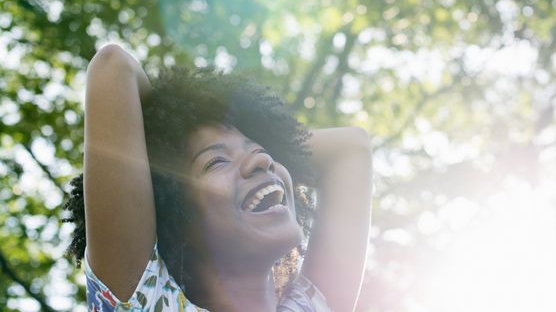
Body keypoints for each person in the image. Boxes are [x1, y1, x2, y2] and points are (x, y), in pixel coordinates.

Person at [63, 43, 372, 311]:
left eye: (262, 150)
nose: (263, 160)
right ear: (174, 216)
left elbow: (351, 148)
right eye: (216, 162)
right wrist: (166, 127)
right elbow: (114, 67)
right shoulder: (150, 302)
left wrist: (274, 147)